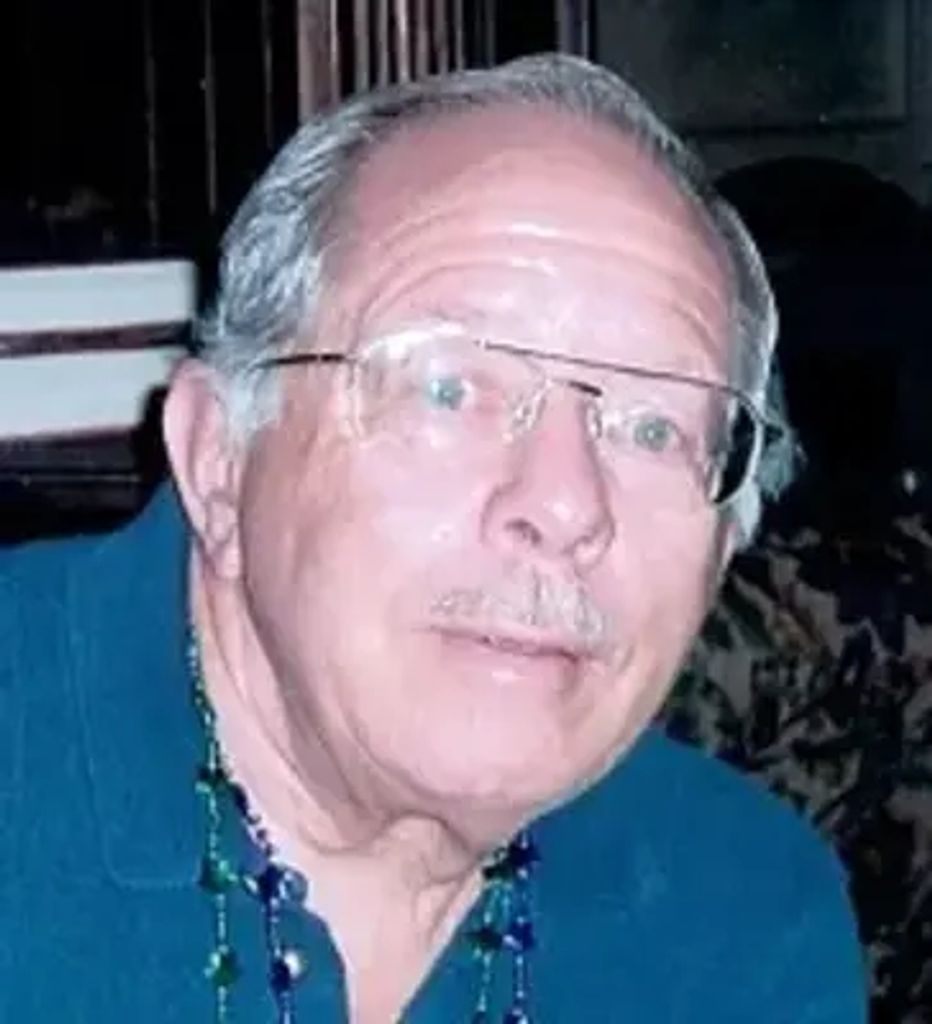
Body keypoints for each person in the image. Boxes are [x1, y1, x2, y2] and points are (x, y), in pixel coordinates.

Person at [0, 54, 864, 1022]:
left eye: (653, 428)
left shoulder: (743, 920)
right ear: (218, 459)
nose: (564, 505)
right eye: (446, 388)